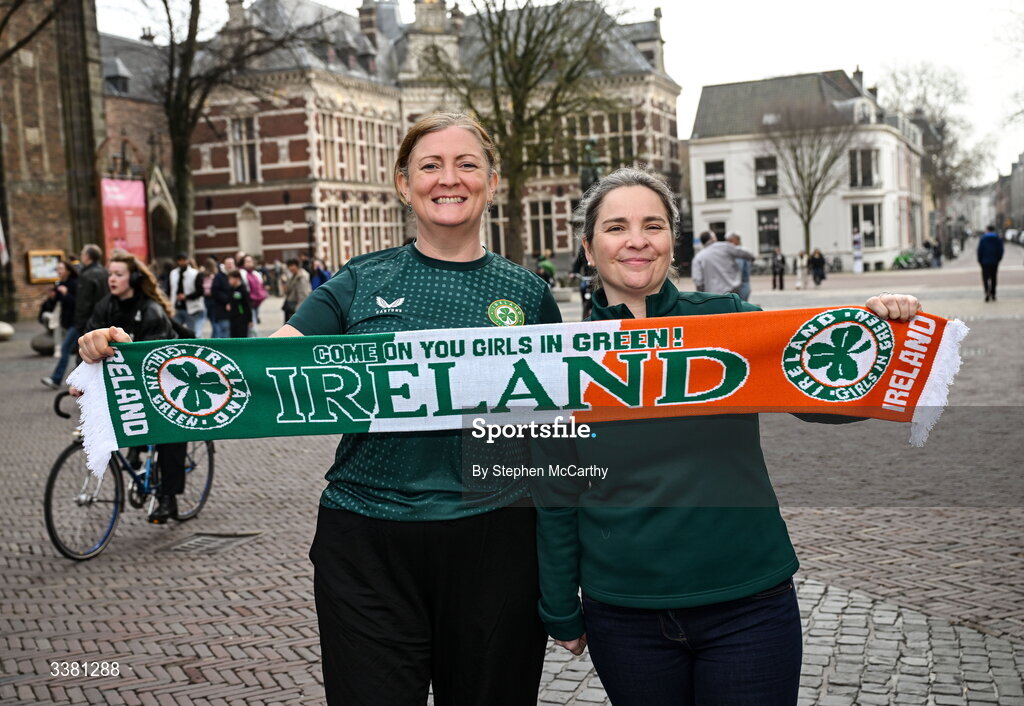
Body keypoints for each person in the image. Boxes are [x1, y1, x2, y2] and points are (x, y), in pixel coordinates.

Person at [531, 167, 921, 706]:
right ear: (589, 248)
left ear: (673, 241)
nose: (637, 240)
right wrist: (559, 605)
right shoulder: (558, 357)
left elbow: (823, 398)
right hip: (625, 613)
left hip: (749, 603)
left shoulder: (730, 322)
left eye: (654, 225)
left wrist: (881, 335)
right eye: (616, 227)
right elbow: (555, 494)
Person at [272, 112, 560, 703]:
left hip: (495, 541)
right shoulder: (360, 280)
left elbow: (551, 432)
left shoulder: (529, 294)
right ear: (404, 183)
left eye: (466, 164)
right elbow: (265, 364)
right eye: (430, 166)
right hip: (368, 538)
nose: (447, 179)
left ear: (492, 181)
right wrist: (132, 363)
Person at [75, 250, 186, 524]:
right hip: (128, 376)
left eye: (118, 274)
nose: (111, 279)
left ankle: (168, 498)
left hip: (165, 376)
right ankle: (136, 447)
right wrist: (78, 381)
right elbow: (88, 345)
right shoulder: (105, 307)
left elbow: (153, 362)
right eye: (110, 273)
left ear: (133, 278)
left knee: (169, 431)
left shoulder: (151, 311)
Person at [40, 259, 78, 388]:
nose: (58, 271)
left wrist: (66, 294)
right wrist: (53, 296)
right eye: (57, 269)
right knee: (79, 351)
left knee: (65, 348)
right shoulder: (61, 283)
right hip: (66, 321)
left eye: (60, 268)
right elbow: (57, 304)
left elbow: (76, 303)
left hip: (76, 322)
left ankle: (56, 379)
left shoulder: (74, 283)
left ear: (67, 270)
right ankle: (81, 381)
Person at [691, 230, 754, 294]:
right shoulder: (724, 246)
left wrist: (703, 293)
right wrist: (752, 258)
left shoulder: (698, 257)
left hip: (712, 296)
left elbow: (698, 280)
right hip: (732, 292)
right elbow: (745, 253)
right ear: (713, 238)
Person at [72, 244, 107, 338]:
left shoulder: (87, 275)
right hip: (103, 318)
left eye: (82, 254)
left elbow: (83, 302)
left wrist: (79, 324)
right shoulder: (104, 271)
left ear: (87, 256)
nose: (81, 256)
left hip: (89, 321)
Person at [169, 252, 205, 336]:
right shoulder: (173, 273)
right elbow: (170, 289)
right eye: (180, 260)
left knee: (191, 333)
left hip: (191, 309)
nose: (182, 262)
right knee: (176, 332)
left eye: (184, 260)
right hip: (176, 307)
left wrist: (186, 297)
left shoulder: (195, 273)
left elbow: (200, 291)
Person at [241, 255, 268, 334]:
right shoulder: (242, 273)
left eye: (250, 261)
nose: (249, 263)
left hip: (257, 302)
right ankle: (254, 340)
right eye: (247, 261)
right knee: (252, 323)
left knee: (254, 321)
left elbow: (261, 286)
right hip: (248, 302)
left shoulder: (256, 273)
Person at [977, 224, 1004, 302]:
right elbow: (1001, 250)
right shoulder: (997, 239)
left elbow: (980, 251)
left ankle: (987, 292)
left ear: (987, 230)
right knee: (994, 278)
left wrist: (980, 260)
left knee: (985, 278)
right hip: (994, 262)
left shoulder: (983, 239)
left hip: (985, 262)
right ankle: (993, 293)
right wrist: (998, 259)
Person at [225, 269, 253, 338]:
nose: (229, 281)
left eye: (231, 279)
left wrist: (250, 319)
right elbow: (230, 300)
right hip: (233, 317)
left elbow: (247, 305)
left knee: (242, 336)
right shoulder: (231, 289)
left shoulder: (243, 290)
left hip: (241, 318)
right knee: (233, 336)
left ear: (237, 278)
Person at [281, 257, 310, 323]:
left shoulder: (301, 277)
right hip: (291, 306)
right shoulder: (293, 276)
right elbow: (287, 291)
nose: (290, 268)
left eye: (291, 266)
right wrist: (284, 282)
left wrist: (298, 311)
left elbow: (303, 295)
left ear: (297, 266)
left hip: (296, 307)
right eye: (289, 266)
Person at [726, 232, 752, 300]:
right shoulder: (744, 251)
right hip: (744, 285)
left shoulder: (738, 252)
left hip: (740, 286)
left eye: (730, 241)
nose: (728, 243)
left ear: (737, 240)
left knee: (739, 307)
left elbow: (738, 270)